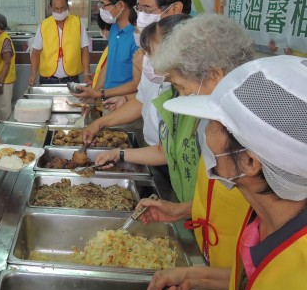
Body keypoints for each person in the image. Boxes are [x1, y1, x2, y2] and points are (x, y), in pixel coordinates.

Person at [145, 55, 307, 290]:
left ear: (250, 163)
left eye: (216, 125)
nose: (205, 133)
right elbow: (259, 283)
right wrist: (193, 275)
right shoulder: (264, 222)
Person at [95, 14, 254, 203]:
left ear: (215, 75)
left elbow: (232, 199)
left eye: (182, 86)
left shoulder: (235, 128)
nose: (182, 95)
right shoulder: (186, 103)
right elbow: (166, 152)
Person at [83, 0, 193, 146]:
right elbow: (142, 98)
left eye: (147, 10)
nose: (140, 17)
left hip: (177, 156)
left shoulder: (192, 59)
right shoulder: (149, 53)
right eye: (139, 9)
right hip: (155, 149)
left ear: (175, 9)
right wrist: (100, 122)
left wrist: (102, 95)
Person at [73, 0, 140, 102]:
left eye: (104, 4)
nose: (101, 8)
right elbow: (109, 64)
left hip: (125, 104)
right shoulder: (114, 28)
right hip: (107, 100)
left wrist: (100, 95)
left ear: (120, 5)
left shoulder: (137, 36)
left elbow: (137, 84)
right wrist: (95, 92)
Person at [29, 0, 91, 86]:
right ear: (50, 8)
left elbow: (84, 49)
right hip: (47, 79)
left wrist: (87, 74)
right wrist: (33, 74)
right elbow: (36, 52)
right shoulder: (44, 25)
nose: (59, 12)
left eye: (63, 8)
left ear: (67, 7)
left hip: (72, 79)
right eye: (56, 9)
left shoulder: (77, 23)